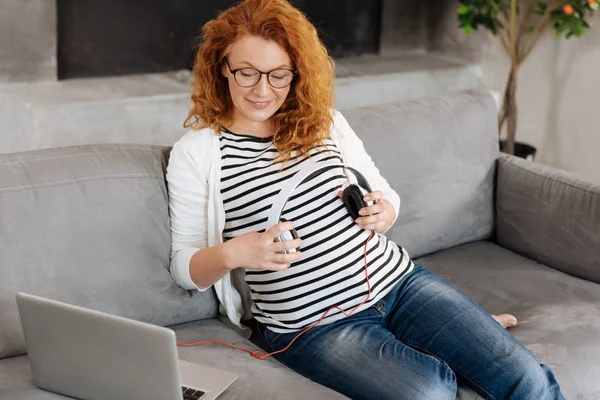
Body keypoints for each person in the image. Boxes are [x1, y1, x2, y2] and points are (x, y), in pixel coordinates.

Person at [166, 0, 564, 398]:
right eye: (247, 72)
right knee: (426, 392)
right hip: (312, 327)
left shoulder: (326, 123)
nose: (262, 90)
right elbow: (185, 268)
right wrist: (235, 252)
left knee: (523, 376)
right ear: (222, 67)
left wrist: (383, 212)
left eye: (279, 75)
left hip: (400, 285)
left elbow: (385, 196)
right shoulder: (198, 153)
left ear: (296, 73)